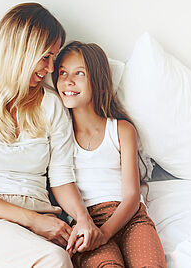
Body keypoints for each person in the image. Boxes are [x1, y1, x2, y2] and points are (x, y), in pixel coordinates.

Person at [0, 3, 102, 267]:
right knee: (53, 259)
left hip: (42, 218)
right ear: (20, 51)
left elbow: (61, 178)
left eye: (53, 59)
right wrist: (33, 221)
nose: (50, 69)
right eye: (45, 57)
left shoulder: (52, 105)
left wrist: (83, 219)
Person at [52, 41, 166, 267]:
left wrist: (104, 234)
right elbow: (59, 182)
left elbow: (132, 197)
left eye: (80, 73)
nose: (68, 80)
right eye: (62, 72)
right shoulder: (58, 134)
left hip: (130, 218)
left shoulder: (121, 130)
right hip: (87, 222)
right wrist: (91, 229)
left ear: (98, 80)